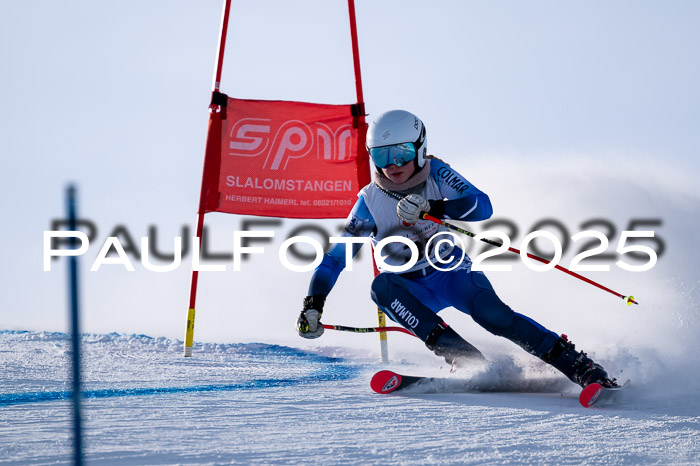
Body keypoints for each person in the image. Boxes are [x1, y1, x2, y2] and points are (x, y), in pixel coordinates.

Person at [296, 109, 616, 389]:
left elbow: (482, 206)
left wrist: (436, 207)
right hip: (409, 286)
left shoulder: (436, 173)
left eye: (402, 153)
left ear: (420, 149)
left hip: (451, 273)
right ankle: (466, 361)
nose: (393, 165)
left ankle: (582, 368)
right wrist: (314, 302)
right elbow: (335, 259)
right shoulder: (369, 202)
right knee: (381, 287)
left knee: (495, 316)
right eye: (381, 156)